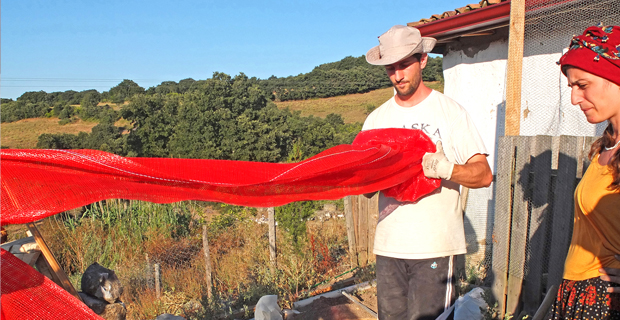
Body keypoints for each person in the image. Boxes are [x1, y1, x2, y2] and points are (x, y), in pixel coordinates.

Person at [362, 25, 493, 320]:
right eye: (390, 68)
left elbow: (483, 175)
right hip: (389, 246)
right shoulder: (375, 120)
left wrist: (447, 168)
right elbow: (366, 188)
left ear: (422, 60)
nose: (397, 75)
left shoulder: (449, 112)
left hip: (434, 246)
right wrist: (366, 178)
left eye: (404, 64)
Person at [547, 24, 620, 319]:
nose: (575, 99)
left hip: (606, 300)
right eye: (572, 88)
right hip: (579, 291)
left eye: (583, 85)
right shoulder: (607, 147)